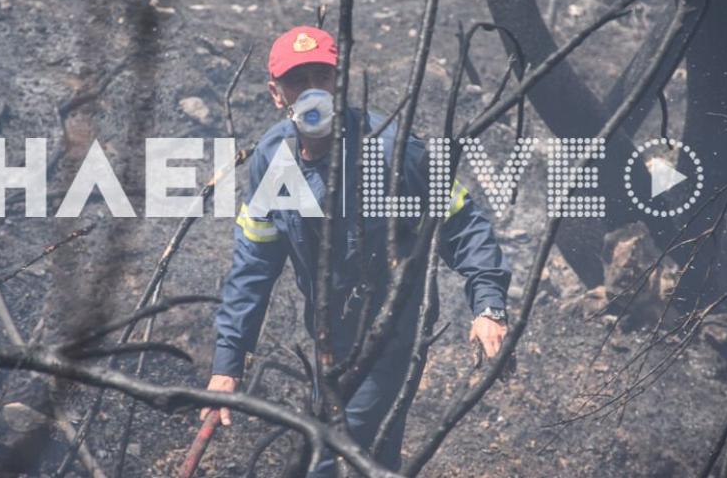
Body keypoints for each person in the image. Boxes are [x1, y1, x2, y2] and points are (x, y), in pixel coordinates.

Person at [201, 25, 511, 475]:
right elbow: (253, 264)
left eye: (321, 77)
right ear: (276, 94)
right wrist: (227, 364)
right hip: (328, 333)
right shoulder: (273, 158)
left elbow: (463, 222)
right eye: (297, 81)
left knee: (331, 455)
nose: (312, 91)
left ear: (340, 81)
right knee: (370, 454)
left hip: (395, 328)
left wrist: (488, 305)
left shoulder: (392, 151)